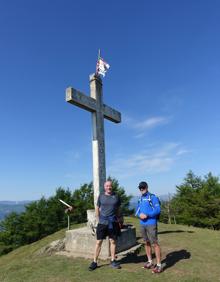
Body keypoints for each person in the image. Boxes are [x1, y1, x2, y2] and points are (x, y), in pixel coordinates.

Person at [89, 180, 122, 271]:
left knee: (113, 241)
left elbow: (118, 209)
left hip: (113, 222)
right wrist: (98, 219)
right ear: (104, 187)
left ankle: (112, 261)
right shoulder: (101, 196)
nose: (109, 187)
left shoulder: (116, 196)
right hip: (102, 223)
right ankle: (94, 262)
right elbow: (97, 208)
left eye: (110, 186)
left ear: (112, 186)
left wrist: (119, 218)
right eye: (107, 186)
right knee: (98, 242)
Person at [135, 181, 163, 274]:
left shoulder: (152, 197)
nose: (142, 189)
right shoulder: (140, 199)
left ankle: (159, 265)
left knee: (155, 243)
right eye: (140, 188)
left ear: (147, 187)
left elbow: (157, 210)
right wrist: (140, 215)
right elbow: (137, 211)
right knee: (146, 242)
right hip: (142, 224)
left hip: (151, 223)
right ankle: (150, 261)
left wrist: (147, 215)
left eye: (143, 187)